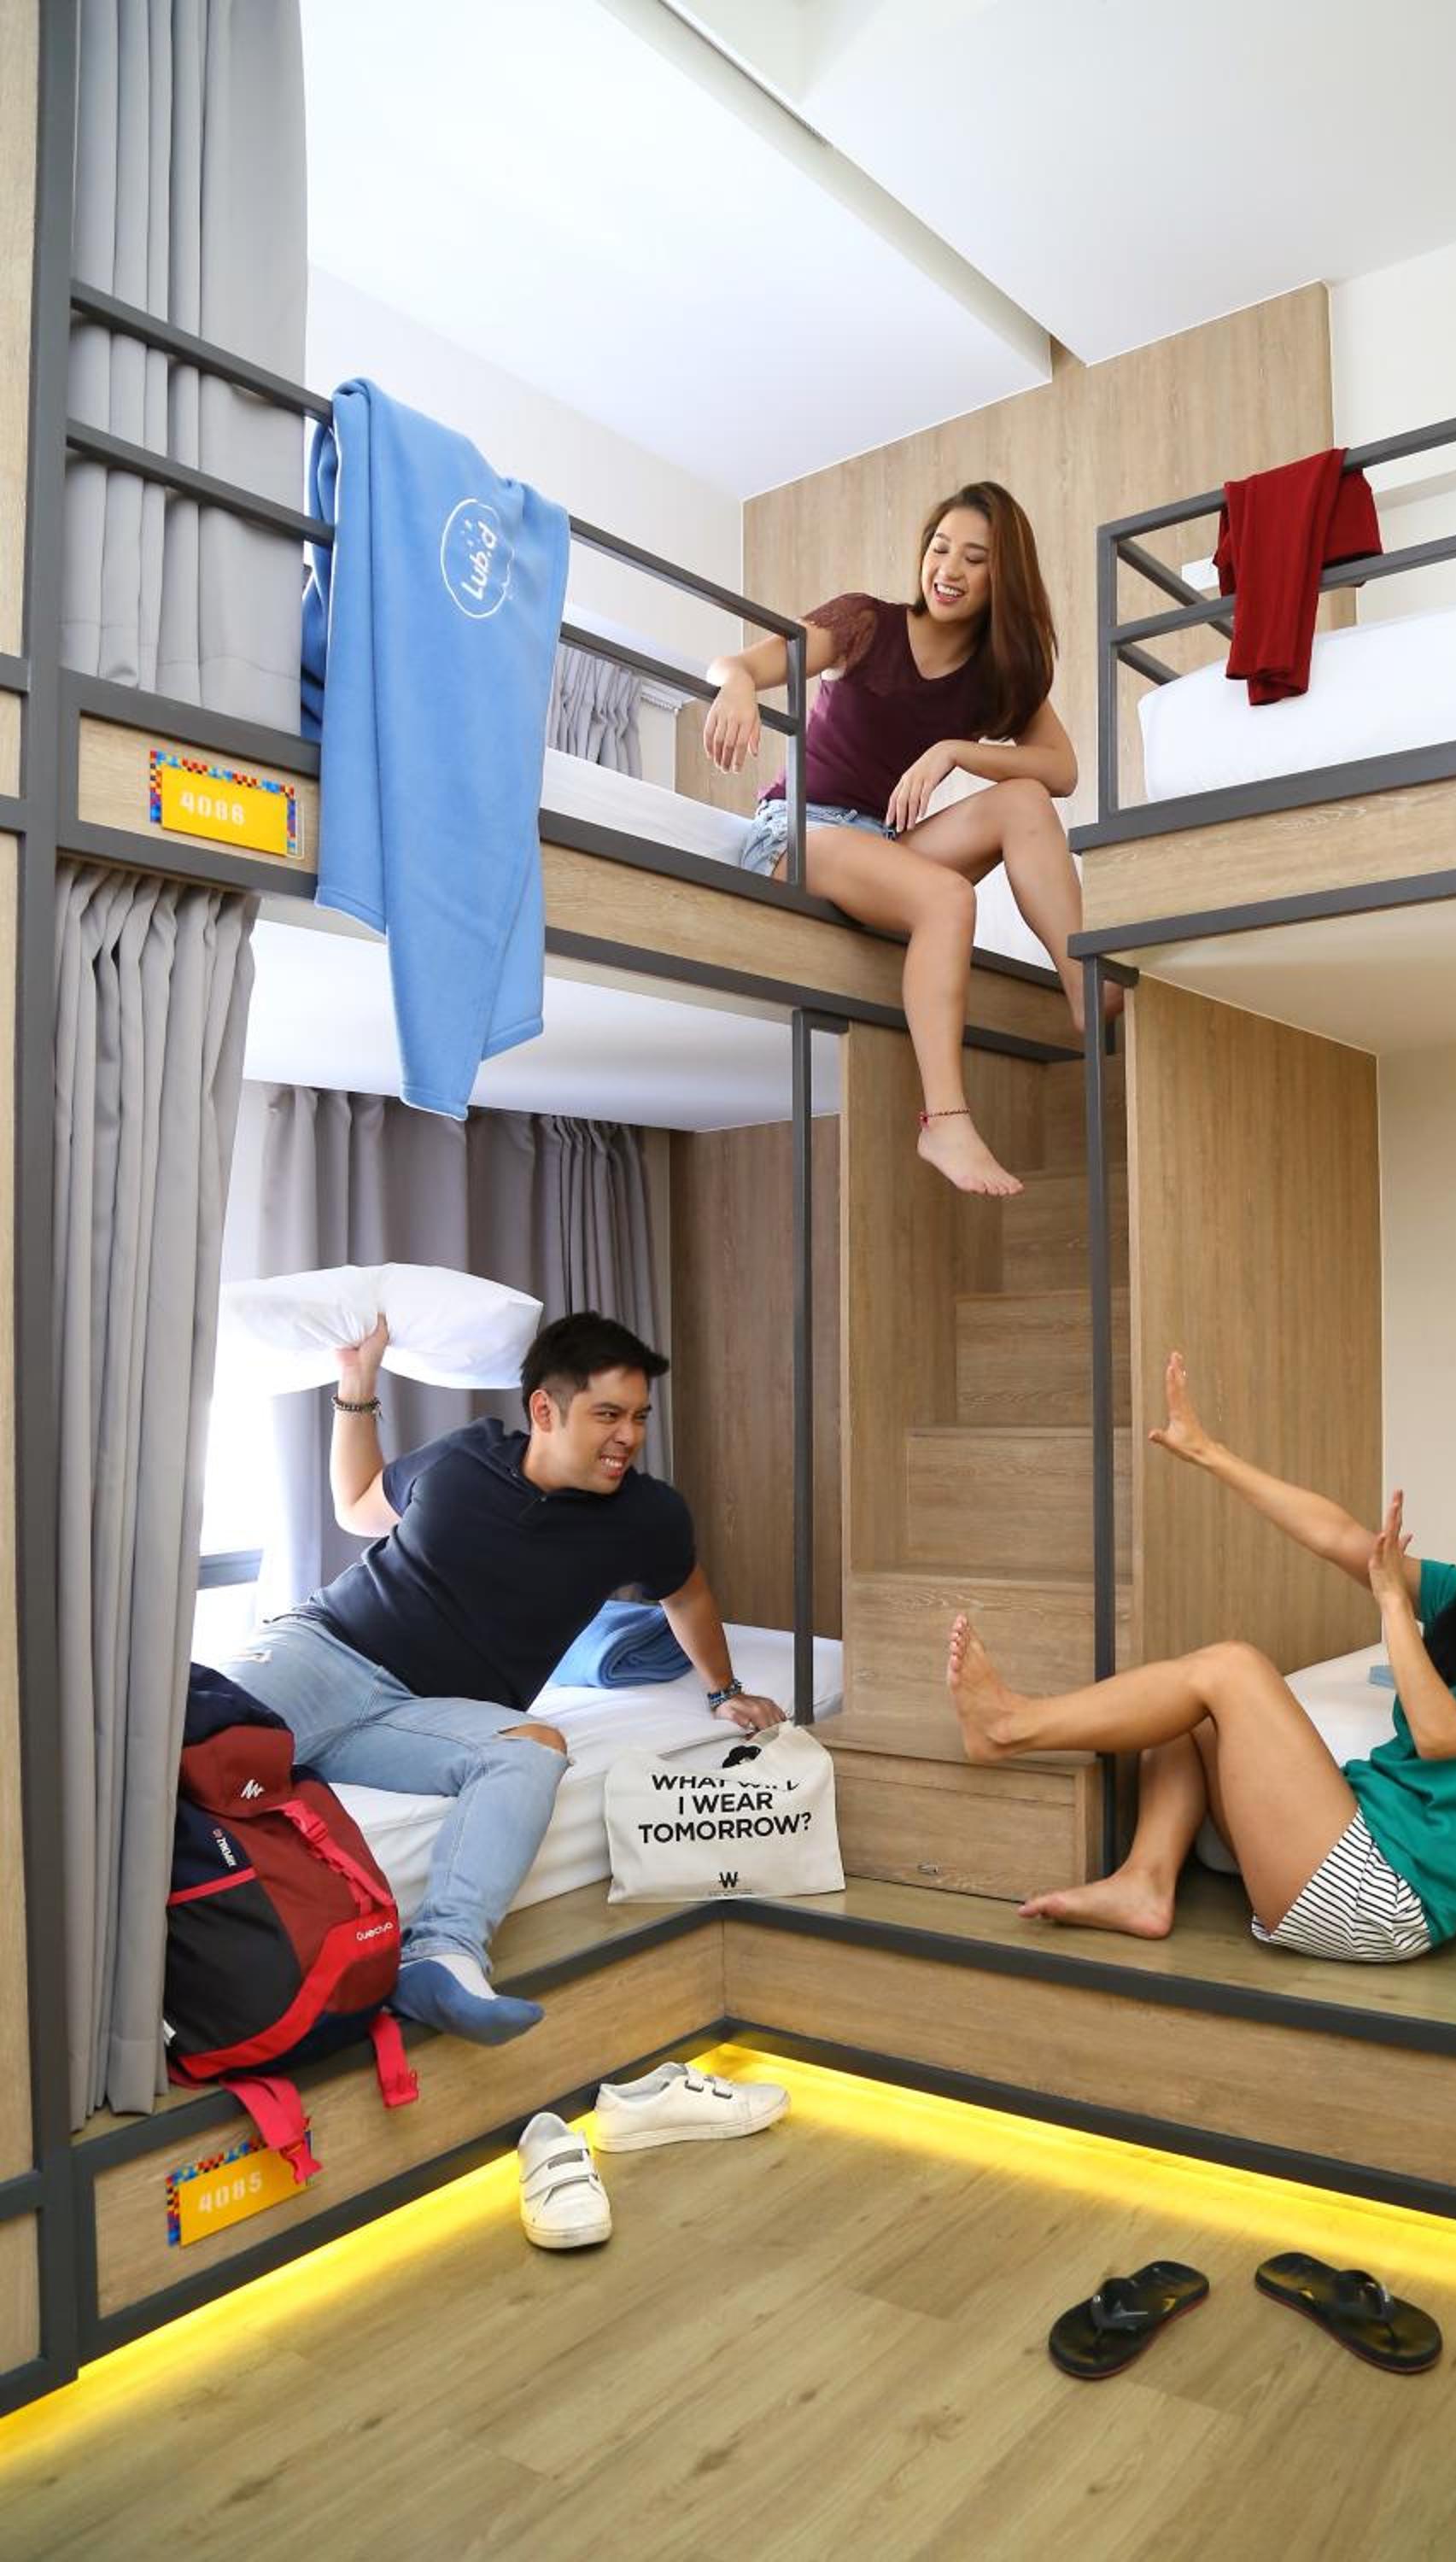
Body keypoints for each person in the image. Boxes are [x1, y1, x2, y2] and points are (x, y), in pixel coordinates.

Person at [946, 1351, 1456, 1963]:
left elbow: (1440, 1734)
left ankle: (1009, 1727)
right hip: (1353, 1837)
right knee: (1188, 1706)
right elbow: (1338, 1537)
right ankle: (1144, 1883)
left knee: (1231, 1668)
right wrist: (1209, 1453)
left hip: (1388, 1898)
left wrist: (1393, 1605)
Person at [221, 1311, 782, 2044]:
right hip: (324, 1653)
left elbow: (688, 1595)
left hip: (422, 1718)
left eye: (640, 1417)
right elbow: (357, 1505)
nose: (629, 1436)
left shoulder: (647, 1516)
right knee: (183, 1744)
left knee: (532, 1749)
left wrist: (724, 1691)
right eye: (608, 1414)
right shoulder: (465, 1458)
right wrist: (357, 1384)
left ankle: (442, 1955)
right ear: (545, 1410)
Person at [703, 480, 1103, 1200]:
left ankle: (1084, 990)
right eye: (940, 549)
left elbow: (1061, 770)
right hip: (798, 831)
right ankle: (944, 1121)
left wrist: (956, 750)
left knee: (1024, 800)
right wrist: (735, 687)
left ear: (1003, 577)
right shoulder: (865, 623)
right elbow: (737, 665)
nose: (949, 570)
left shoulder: (993, 674)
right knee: (947, 898)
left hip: (879, 846)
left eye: (974, 559)